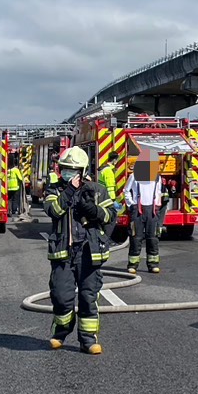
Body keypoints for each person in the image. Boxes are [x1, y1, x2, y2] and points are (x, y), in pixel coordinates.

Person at [45, 146, 114, 354]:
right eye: (65, 169)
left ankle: (88, 340)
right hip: (64, 254)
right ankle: (60, 332)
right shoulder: (55, 189)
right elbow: (53, 211)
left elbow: (111, 216)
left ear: (82, 171)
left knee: (88, 296)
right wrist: (69, 192)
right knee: (61, 296)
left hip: (88, 252)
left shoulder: (97, 190)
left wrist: (95, 211)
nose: (68, 174)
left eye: (72, 170)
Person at [124, 162, 165, 275]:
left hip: (151, 211)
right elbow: (126, 191)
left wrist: (157, 205)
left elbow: (158, 192)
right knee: (136, 238)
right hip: (138, 210)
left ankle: (153, 265)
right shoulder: (134, 176)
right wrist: (131, 204)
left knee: (153, 238)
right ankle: (132, 265)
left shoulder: (157, 177)